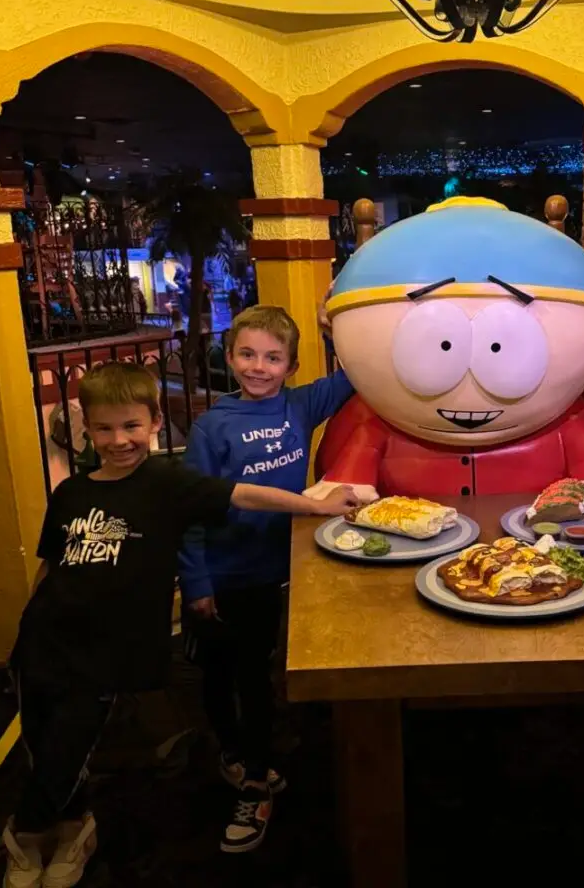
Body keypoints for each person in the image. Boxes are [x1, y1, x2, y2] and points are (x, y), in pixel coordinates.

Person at [4, 362, 356, 888]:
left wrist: (313, 506)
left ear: (152, 424)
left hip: (109, 649)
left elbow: (243, 494)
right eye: (104, 428)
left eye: (130, 427)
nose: (118, 440)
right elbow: (51, 566)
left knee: (71, 739)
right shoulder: (71, 494)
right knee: (45, 738)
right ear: (87, 429)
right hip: (43, 641)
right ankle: (76, 825)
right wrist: (24, 633)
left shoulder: (168, 482)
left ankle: (24, 831)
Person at [179, 306, 355, 854]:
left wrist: (336, 328)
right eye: (248, 355)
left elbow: (355, 375)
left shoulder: (300, 405)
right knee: (214, 675)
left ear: (292, 364)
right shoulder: (212, 426)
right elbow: (189, 510)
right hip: (220, 574)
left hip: (269, 574)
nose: (259, 367)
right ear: (229, 357)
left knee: (254, 678)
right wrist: (197, 582)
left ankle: (255, 778)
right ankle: (233, 752)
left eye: (273, 358)